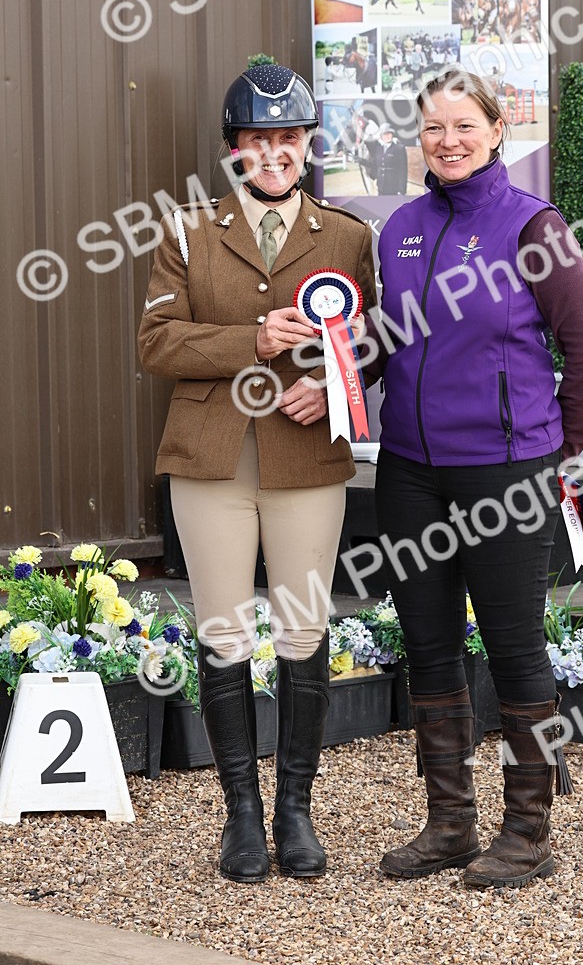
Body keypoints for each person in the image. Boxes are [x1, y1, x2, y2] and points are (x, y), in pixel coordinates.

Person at [370, 68, 583, 889]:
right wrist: (327, 379)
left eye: (464, 125)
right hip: (409, 472)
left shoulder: (534, 226)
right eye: (434, 127)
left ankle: (528, 832)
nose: (449, 141)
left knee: (514, 649)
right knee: (428, 645)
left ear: (498, 130)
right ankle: (449, 825)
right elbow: (387, 340)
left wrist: (554, 449)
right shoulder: (401, 228)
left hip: (506, 473)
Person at [138, 63, 376, 884]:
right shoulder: (186, 233)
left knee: (304, 631)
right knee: (224, 632)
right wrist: (254, 340)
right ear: (233, 149)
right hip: (211, 461)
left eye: (289, 139)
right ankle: (240, 813)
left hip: (306, 460)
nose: (274, 153)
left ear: (309, 145)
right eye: (257, 140)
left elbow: (373, 340)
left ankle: (295, 811)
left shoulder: (347, 235)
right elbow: (156, 343)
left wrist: (332, 387)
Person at [375, 123, 408, 195]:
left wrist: (401, 190)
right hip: (381, 186)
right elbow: (376, 165)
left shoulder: (399, 148)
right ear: (381, 136)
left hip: (393, 187)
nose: (387, 136)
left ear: (392, 134)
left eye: (389, 134)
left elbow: (403, 170)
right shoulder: (379, 149)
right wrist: (361, 161)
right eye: (384, 134)